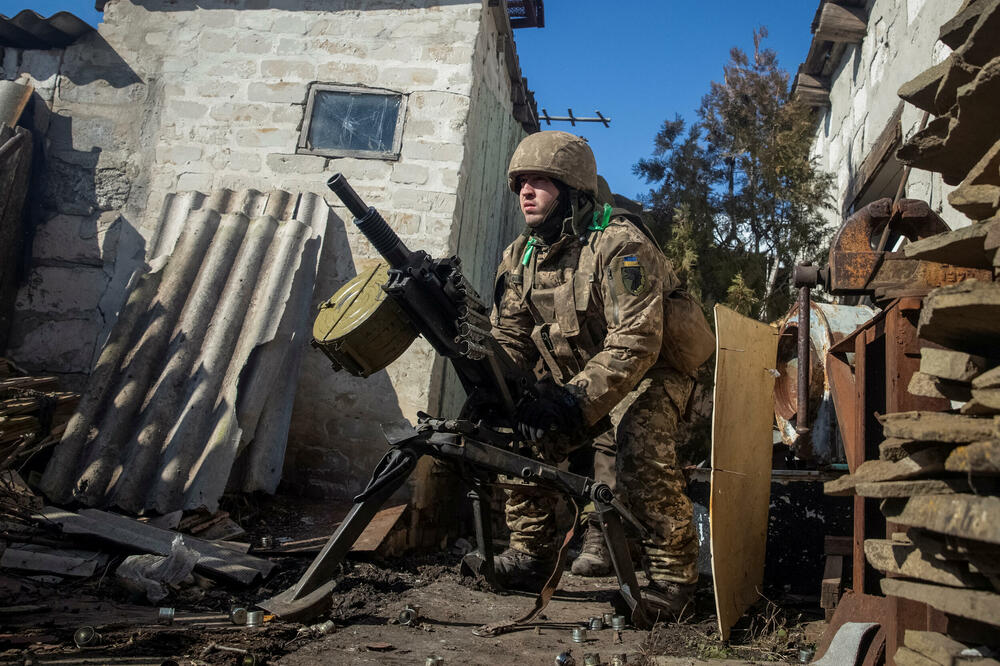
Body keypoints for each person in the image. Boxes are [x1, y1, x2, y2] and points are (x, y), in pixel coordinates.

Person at [489, 130, 700, 615]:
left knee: (638, 441)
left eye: (540, 180)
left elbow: (637, 342)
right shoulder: (520, 256)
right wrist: (497, 389)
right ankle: (530, 554)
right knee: (514, 427)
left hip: (656, 375)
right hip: (583, 378)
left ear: (573, 190)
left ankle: (671, 582)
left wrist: (570, 403)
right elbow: (510, 338)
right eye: (521, 181)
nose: (526, 190)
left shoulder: (621, 245)